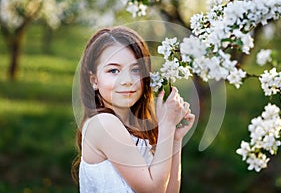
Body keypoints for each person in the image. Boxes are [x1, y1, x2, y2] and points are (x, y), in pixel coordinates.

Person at [71, 26, 195, 193]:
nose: (127, 80)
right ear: (94, 80)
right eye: (114, 70)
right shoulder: (104, 124)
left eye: (136, 70)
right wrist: (166, 127)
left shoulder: (133, 128)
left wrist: (174, 138)